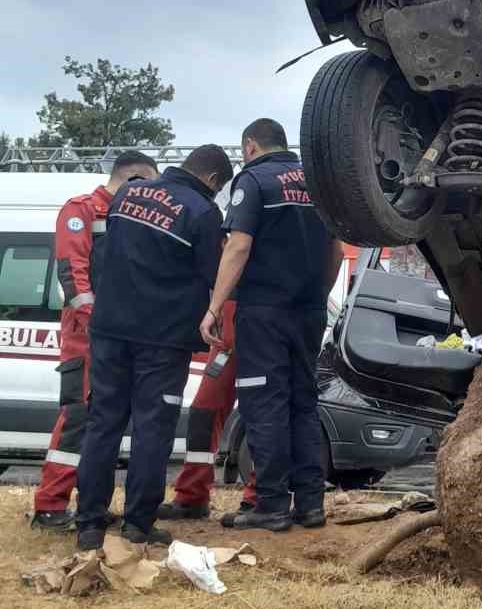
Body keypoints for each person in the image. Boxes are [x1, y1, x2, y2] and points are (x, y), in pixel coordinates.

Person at [74, 145, 234, 551]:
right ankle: (137, 526)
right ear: (213, 180)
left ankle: (89, 524)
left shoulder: (130, 192)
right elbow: (214, 275)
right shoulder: (202, 212)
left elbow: (108, 251)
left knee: (103, 423)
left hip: (109, 329)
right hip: (162, 341)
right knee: (152, 430)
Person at [200, 118, 343, 533]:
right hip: (309, 313)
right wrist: (317, 295)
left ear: (250, 146)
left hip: (264, 312)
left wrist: (215, 306)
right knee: (303, 404)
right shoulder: (318, 184)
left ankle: (272, 505)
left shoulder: (254, 181)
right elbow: (336, 251)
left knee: (265, 406)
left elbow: (238, 246)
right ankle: (311, 505)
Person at [30, 150, 160, 530]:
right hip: (86, 337)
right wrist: (99, 324)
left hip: (118, 337)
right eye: (150, 187)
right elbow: (73, 276)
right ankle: (50, 506)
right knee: (78, 420)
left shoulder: (130, 215)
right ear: (135, 178)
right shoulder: (82, 210)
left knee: (106, 423)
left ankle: (91, 506)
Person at [156, 301, 259, 520]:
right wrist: (216, 308)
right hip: (227, 332)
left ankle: (259, 500)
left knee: (263, 415)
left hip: (263, 325)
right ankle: (192, 497)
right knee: (203, 413)